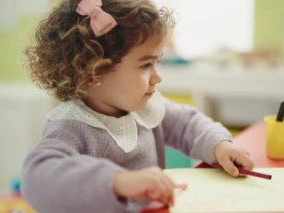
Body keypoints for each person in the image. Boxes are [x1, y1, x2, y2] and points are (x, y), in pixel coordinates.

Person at [21, 0, 254, 212]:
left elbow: (188, 124)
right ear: (93, 72)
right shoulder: (70, 126)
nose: (157, 77)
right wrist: (119, 182)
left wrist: (219, 146)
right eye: (145, 66)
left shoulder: (145, 108)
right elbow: (36, 177)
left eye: (157, 62)